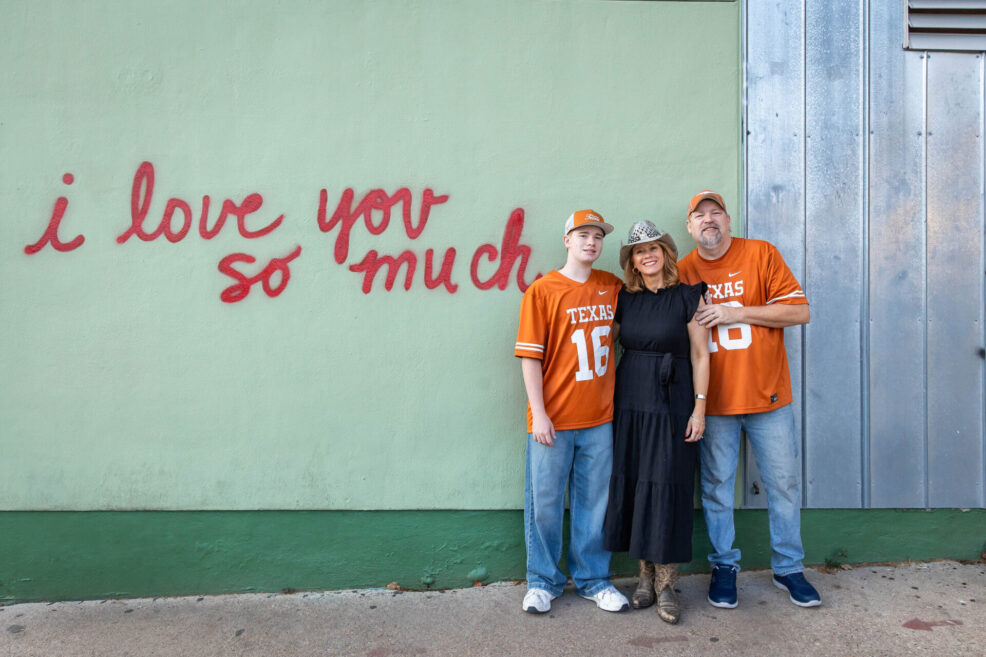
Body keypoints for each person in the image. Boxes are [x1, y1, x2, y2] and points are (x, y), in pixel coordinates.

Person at [676, 190, 820, 608]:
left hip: (768, 397)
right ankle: (724, 565)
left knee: (783, 485)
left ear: (728, 220)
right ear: (690, 226)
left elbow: (799, 311)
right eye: (699, 215)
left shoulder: (761, 254)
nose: (708, 219)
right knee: (716, 489)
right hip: (715, 403)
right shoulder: (683, 270)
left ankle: (788, 567)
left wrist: (734, 312)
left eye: (715, 212)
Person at [514, 209, 630, 615]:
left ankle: (593, 579)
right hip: (554, 420)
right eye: (583, 235)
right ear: (567, 240)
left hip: (599, 419)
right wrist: (539, 413)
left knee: (594, 506)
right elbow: (530, 358)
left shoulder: (611, 286)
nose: (591, 242)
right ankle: (542, 581)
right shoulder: (543, 291)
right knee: (544, 504)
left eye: (597, 236)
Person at [602, 221, 709, 624]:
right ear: (632, 261)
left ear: (665, 253)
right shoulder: (624, 300)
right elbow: (602, 343)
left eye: (653, 248)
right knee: (635, 483)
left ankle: (666, 584)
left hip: (673, 400)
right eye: (639, 251)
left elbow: (701, 355)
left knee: (667, 485)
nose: (647, 256)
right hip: (630, 400)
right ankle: (643, 578)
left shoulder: (688, 297)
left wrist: (699, 409)